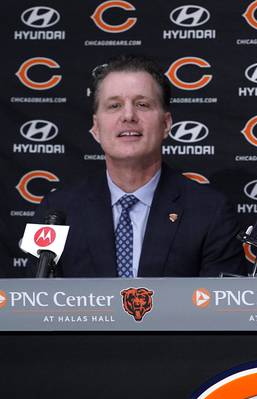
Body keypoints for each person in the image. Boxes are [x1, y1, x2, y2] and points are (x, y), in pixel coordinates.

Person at [31, 55, 244, 277]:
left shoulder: (210, 211)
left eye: (142, 104)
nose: (128, 115)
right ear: (96, 128)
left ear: (166, 124)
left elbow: (222, 307)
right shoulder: (56, 212)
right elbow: (36, 304)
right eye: (114, 105)